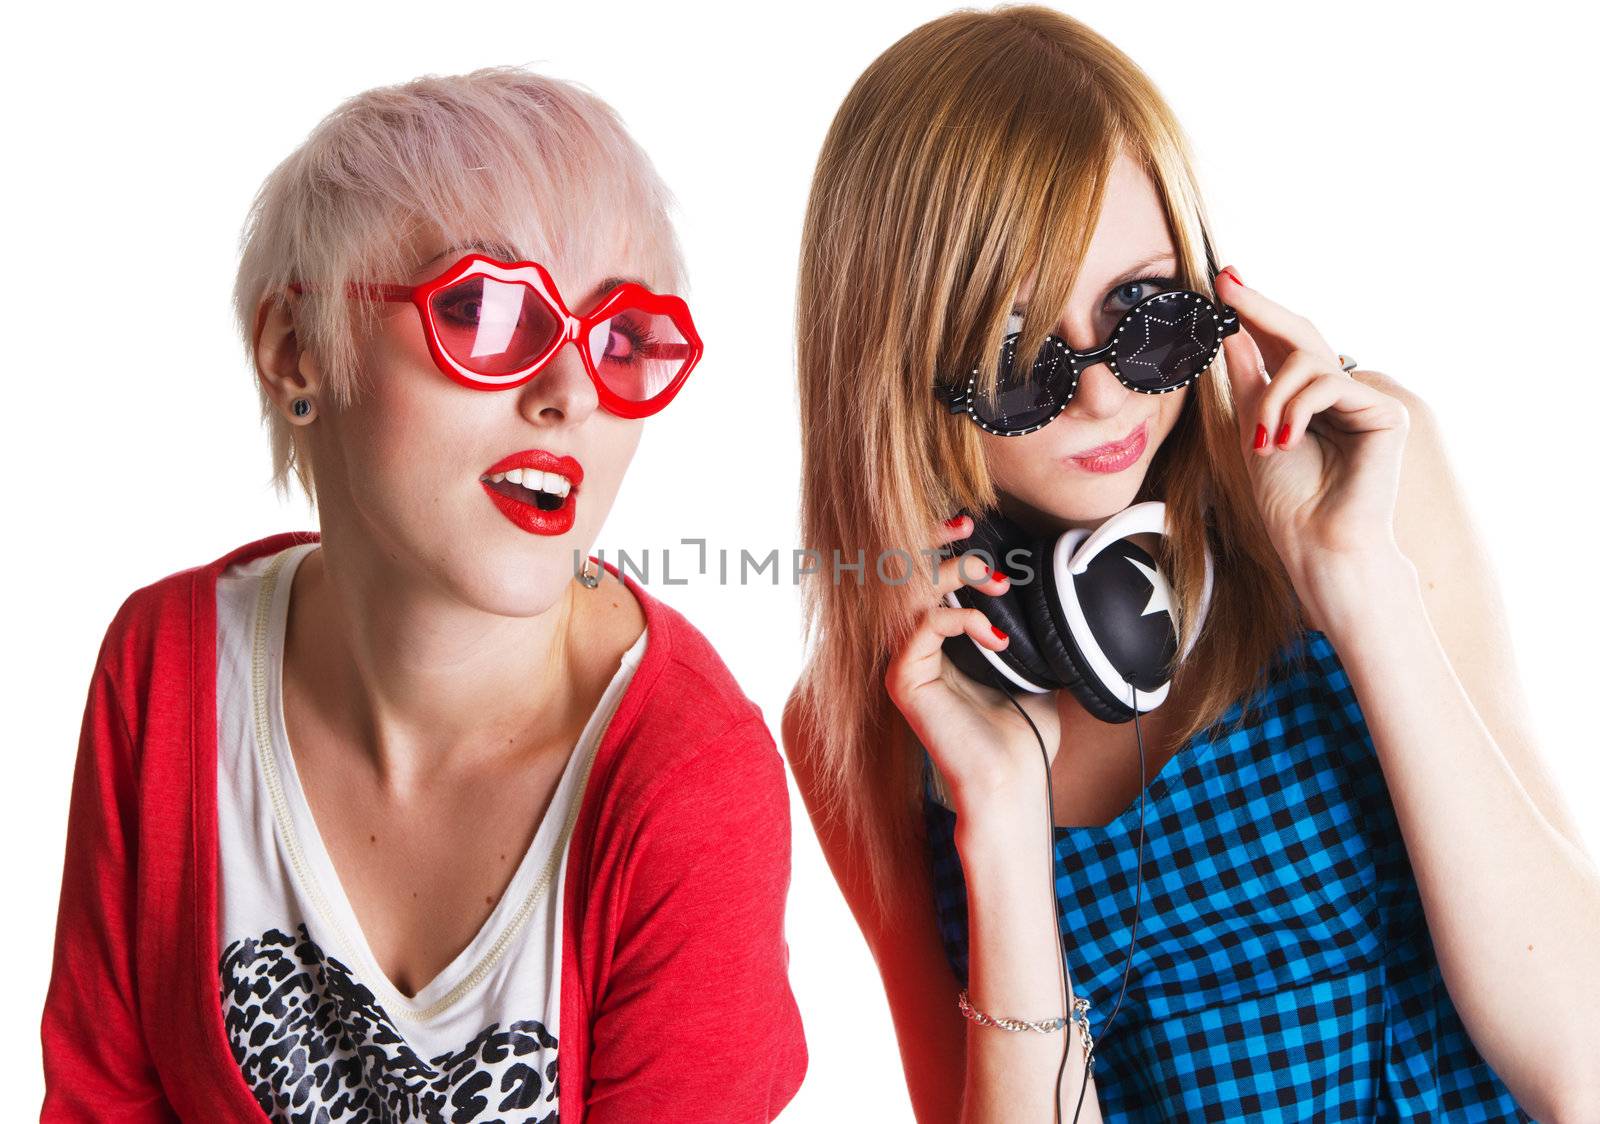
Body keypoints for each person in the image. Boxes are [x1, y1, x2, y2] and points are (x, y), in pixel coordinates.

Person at [782, 7, 1599, 1122]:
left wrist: (1357, 587)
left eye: (1142, 311)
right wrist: (1002, 821)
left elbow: (1582, 1060)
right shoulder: (869, 722)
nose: (1105, 391)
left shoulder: (1362, 482)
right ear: (896, 367)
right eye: (1018, 354)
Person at [42, 66, 806, 1122]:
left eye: (621, 336)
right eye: (489, 313)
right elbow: (100, 1098)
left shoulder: (687, 782)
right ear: (294, 347)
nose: (572, 394)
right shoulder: (165, 670)